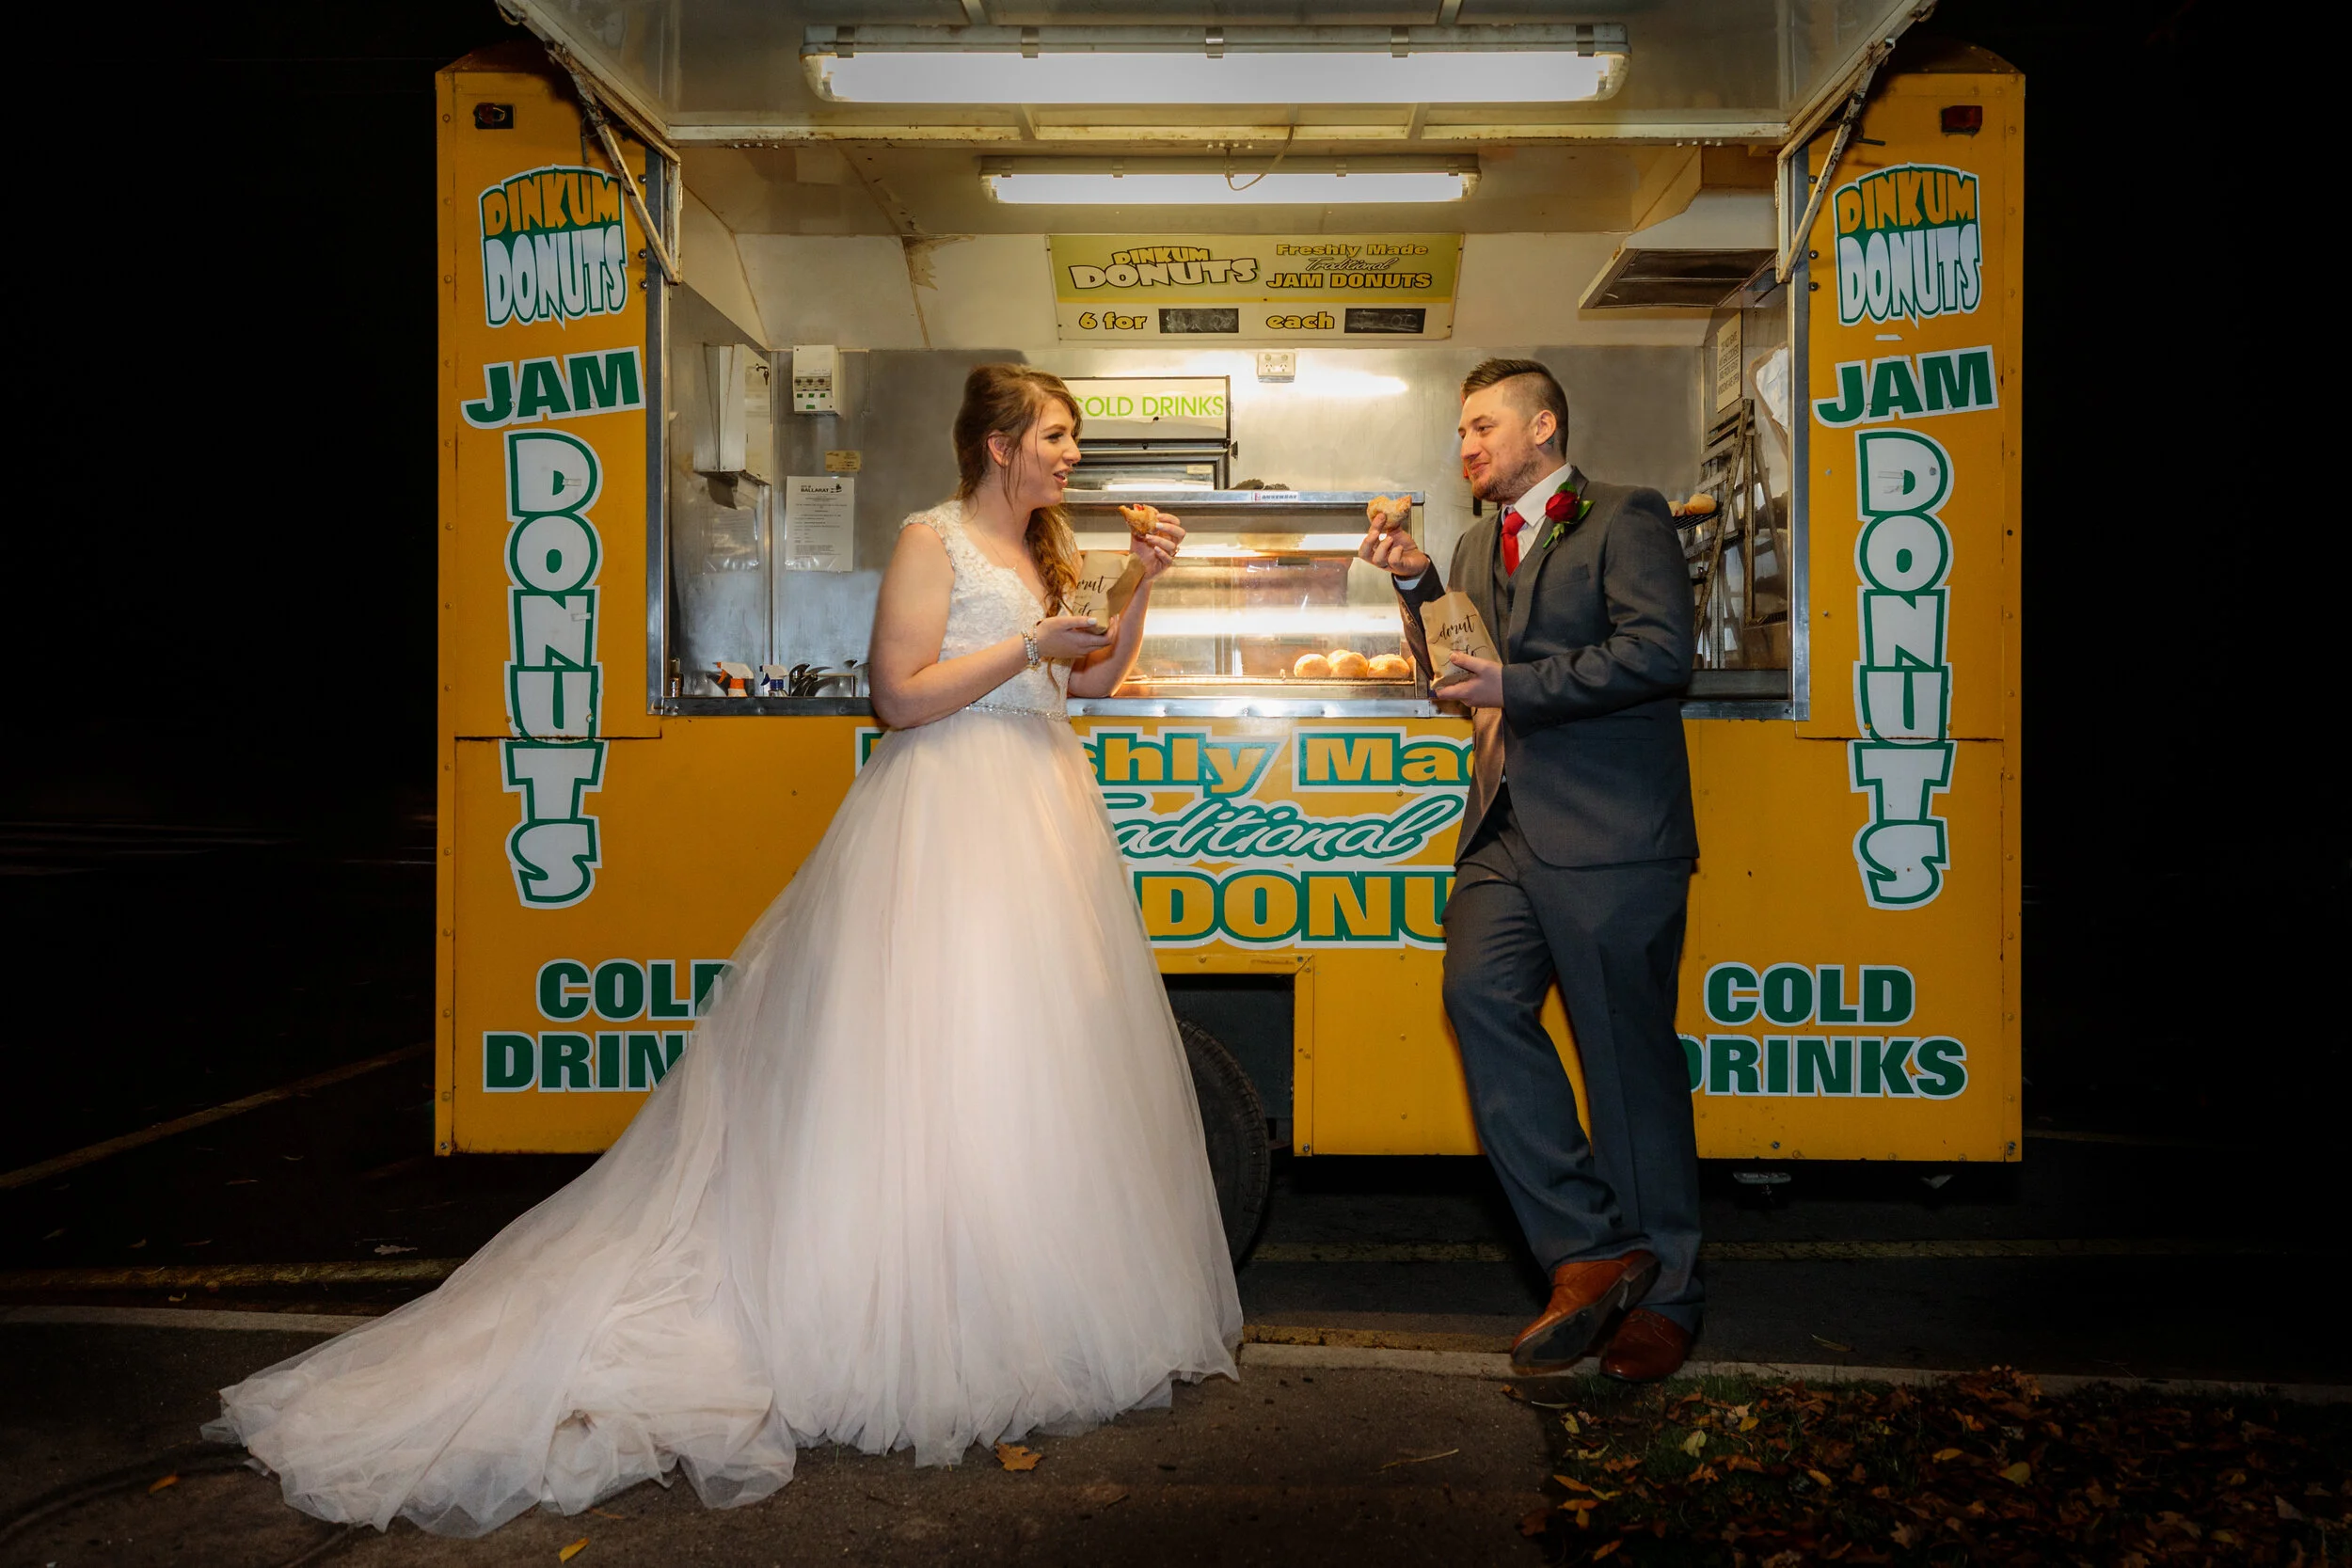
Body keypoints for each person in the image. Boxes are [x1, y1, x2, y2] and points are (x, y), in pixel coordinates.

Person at [206, 364, 1243, 1536]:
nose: (1072, 452)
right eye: (1057, 434)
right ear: (1000, 444)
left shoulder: (1050, 550)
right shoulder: (933, 539)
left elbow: (1089, 677)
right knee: (927, 1060)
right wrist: (1024, 647)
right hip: (947, 816)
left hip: (1040, 816)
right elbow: (897, 695)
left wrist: (1139, 587)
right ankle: (895, 1317)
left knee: (1020, 1068)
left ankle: (1020, 1307)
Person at [1360, 357, 1702, 1383]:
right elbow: (1455, 666)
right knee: (1476, 996)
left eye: (1482, 426)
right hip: (1503, 822)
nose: (1465, 445)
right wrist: (1416, 582)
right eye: (1460, 431)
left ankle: (1667, 1298)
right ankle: (1591, 1250)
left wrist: (1516, 683)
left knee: (1626, 1066)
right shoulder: (1473, 542)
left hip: (1611, 830)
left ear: (1543, 426)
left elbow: (1659, 653)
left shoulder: (1626, 514)